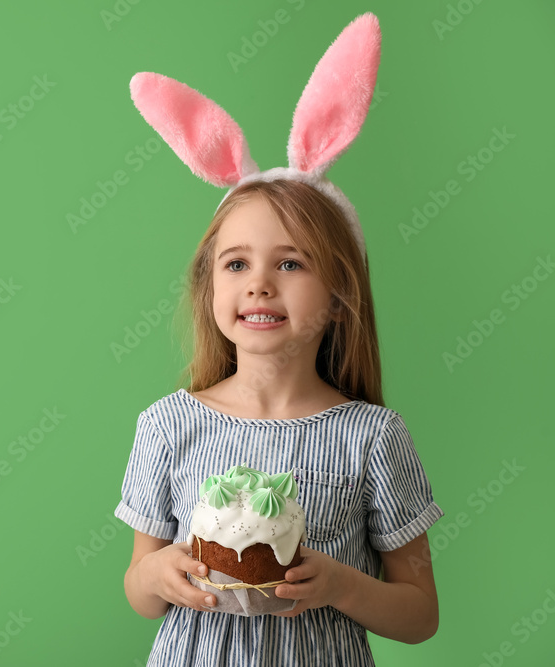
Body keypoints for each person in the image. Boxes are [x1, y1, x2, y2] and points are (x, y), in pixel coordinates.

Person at [115, 13, 442, 666]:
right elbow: (140, 589)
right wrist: (156, 577)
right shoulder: (168, 425)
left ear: (340, 293)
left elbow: (420, 614)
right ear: (211, 287)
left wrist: (344, 583)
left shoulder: (373, 436)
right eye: (237, 263)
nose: (259, 283)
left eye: (290, 263)